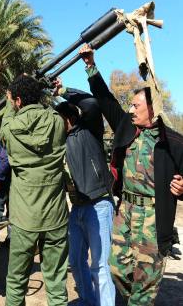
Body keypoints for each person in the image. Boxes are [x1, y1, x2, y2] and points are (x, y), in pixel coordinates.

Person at [79, 44, 183, 305]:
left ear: (152, 108)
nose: (131, 109)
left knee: (145, 285)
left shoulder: (172, 141)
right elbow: (105, 100)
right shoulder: (127, 126)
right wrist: (91, 65)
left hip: (153, 218)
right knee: (116, 268)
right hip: (125, 213)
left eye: (136, 105)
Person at [0, 75, 68, 306]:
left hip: (24, 219)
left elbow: (6, 124)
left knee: (17, 281)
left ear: (17, 101)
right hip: (55, 216)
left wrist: (10, 103)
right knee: (56, 283)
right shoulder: (57, 122)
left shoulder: (10, 129)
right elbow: (54, 110)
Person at [54, 85, 115, 306]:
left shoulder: (89, 129)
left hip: (99, 205)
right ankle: (87, 301)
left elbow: (91, 103)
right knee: (76, 261)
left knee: (99, 264)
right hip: (77, 208)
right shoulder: (59, 141)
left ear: (69, 117)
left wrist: (64, 90)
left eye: (58, 118)